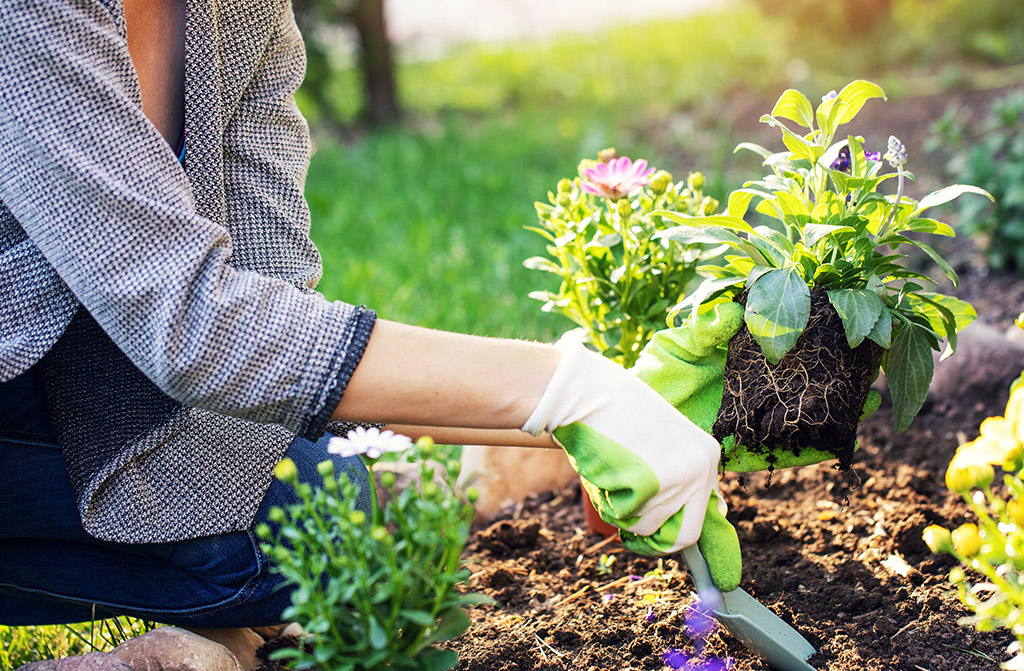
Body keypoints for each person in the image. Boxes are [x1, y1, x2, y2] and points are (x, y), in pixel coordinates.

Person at [0, 0, 734, 629]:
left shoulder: (241, 13)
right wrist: (563, 385)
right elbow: (192, 323)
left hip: (87, 374)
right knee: (296, 545)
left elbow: (272, 302)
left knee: (344, 519)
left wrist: (589, 420)